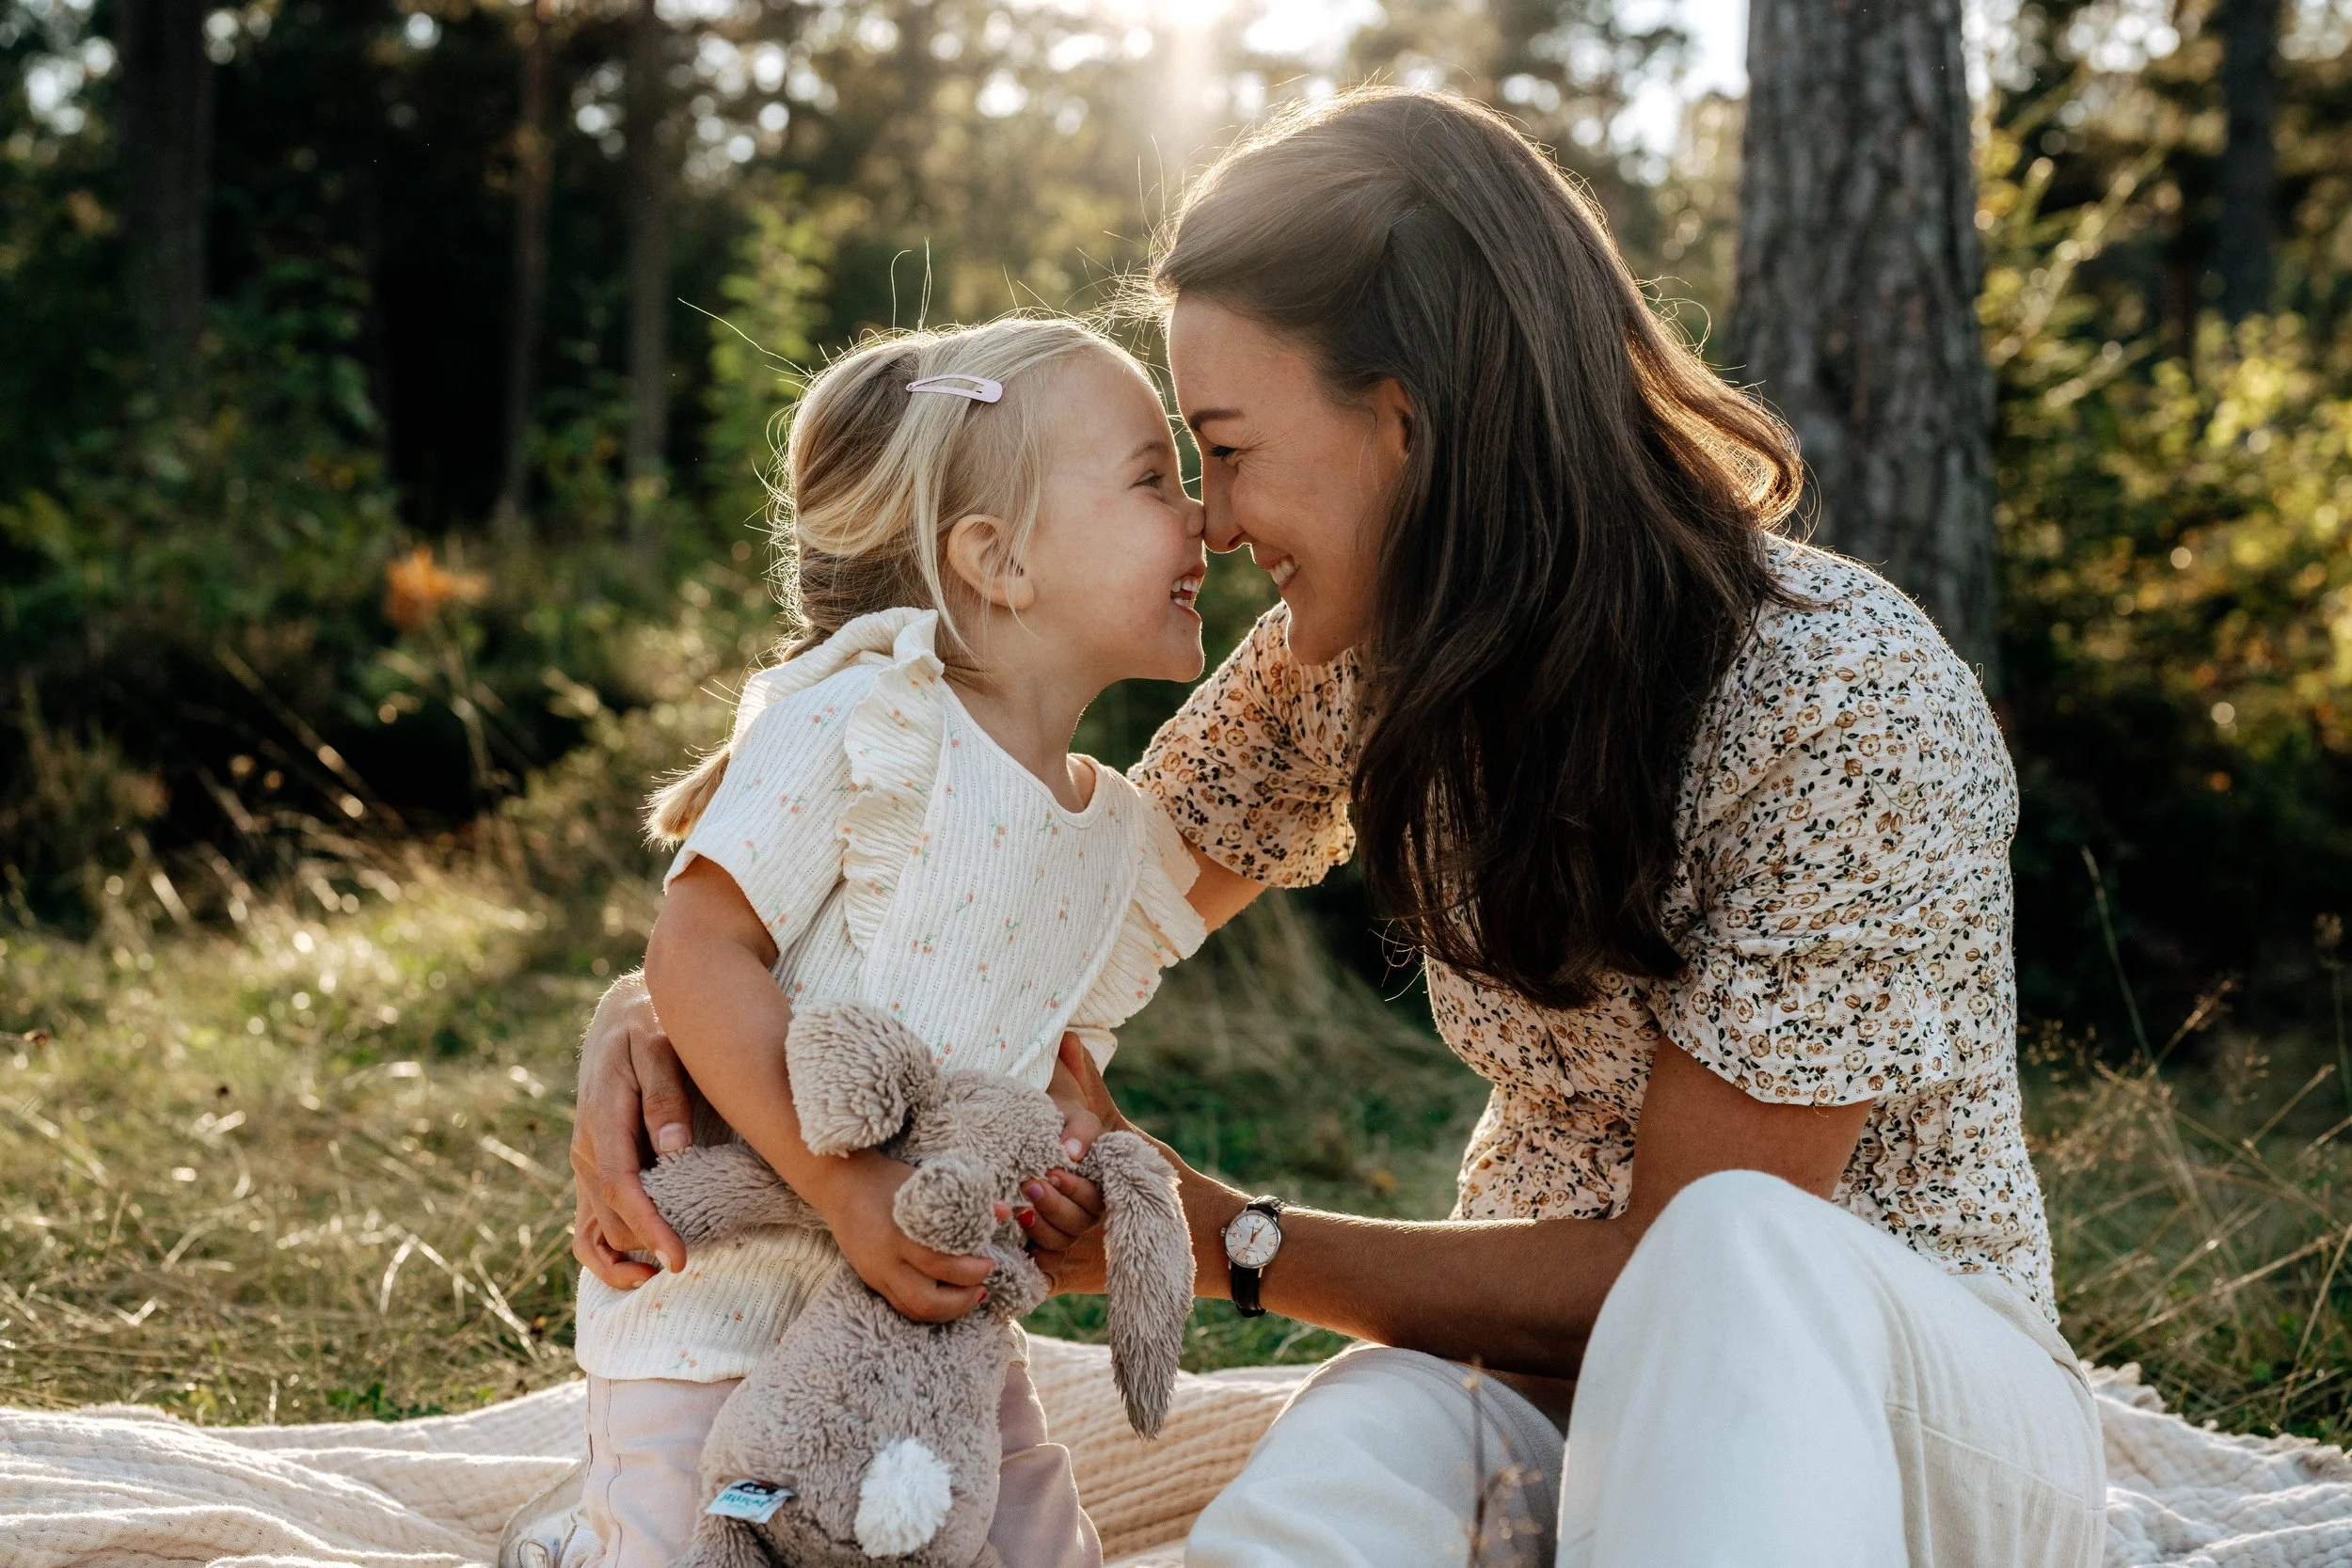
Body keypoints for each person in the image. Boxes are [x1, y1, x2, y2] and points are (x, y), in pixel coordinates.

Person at [575, 90, 2106, 1568]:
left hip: (1905, 1410)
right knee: (1340, 1474)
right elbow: (1027, 904)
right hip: (1526, 1367)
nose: (1216, 523)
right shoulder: (1359, 655)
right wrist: (697, 997)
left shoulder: (1840, 702)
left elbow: (1672, 1269)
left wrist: (1235, 1238)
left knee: (1728, 1256)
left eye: (1226, 448)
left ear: (1407, 424)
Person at [564, 315, 1213, 1568]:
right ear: (1000, 558)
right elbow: (696, 948)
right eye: (1152, 477)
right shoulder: (875, 713)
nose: (1201, 519)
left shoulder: (1113, 835)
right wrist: (850, 1190)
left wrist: (1069, 1156)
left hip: (939, 1334)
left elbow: (1048, 1066)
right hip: (722, 1306)